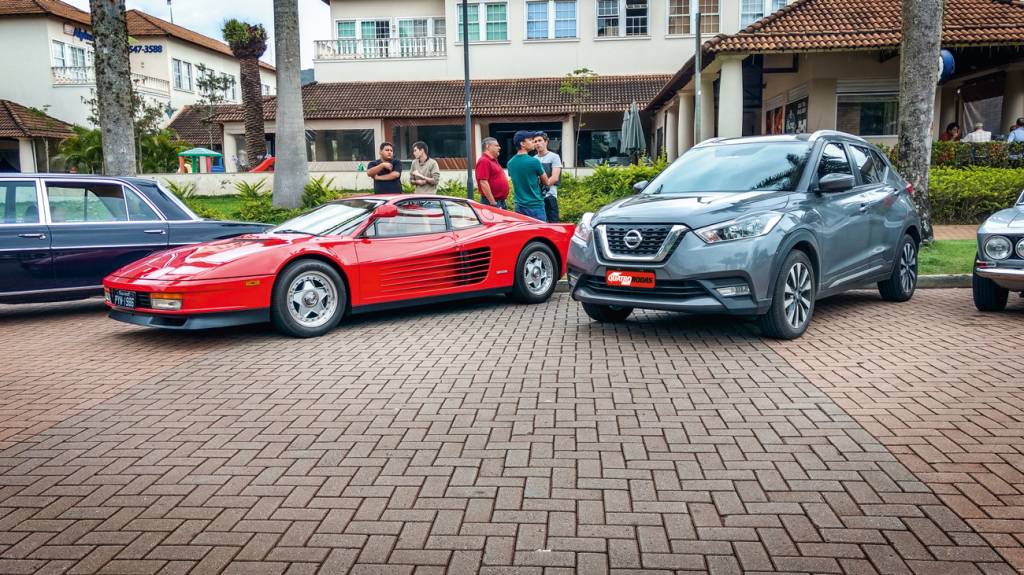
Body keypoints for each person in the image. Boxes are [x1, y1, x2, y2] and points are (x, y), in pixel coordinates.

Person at [506, 130, 549, 221]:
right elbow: (546, 181)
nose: (533, 142)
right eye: (530, 140)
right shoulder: (534, 161)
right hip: (535, 206)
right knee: (540, 233)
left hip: (519, 206)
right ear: (522, 143)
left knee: (523, 234)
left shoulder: (510, 163)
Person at [534, 132, 562, 223]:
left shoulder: (554, 157)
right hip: (536, 198)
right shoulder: (533, 159)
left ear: (546, 142)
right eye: (535, 141)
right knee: (538, 224)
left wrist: (543, 189)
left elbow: (555, 177)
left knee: (553, 223)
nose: (537, 143)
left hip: (550, 196)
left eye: (540, 140)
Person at [475, 137, 509, 209]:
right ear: (487, 146)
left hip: (499, 201)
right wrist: (492, 202)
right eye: (496, 146)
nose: (499, 148)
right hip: (491, 202)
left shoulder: (493, 160)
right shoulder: (484, 161)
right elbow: (483, 182)